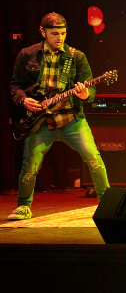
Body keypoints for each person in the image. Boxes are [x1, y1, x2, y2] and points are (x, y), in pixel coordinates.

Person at [8, 13, 110, 220]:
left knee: (94, 159)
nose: (60, 38)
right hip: (40, 122)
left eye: (63, 33)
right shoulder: (27, 55)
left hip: (71, 119)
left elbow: (91, 90)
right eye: (55, 33)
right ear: (42, 32)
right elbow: (15, 85)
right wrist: (23, 100)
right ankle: (23, 206)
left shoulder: (76, 56)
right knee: (30, 166)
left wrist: (85, 94)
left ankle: (108, 205)